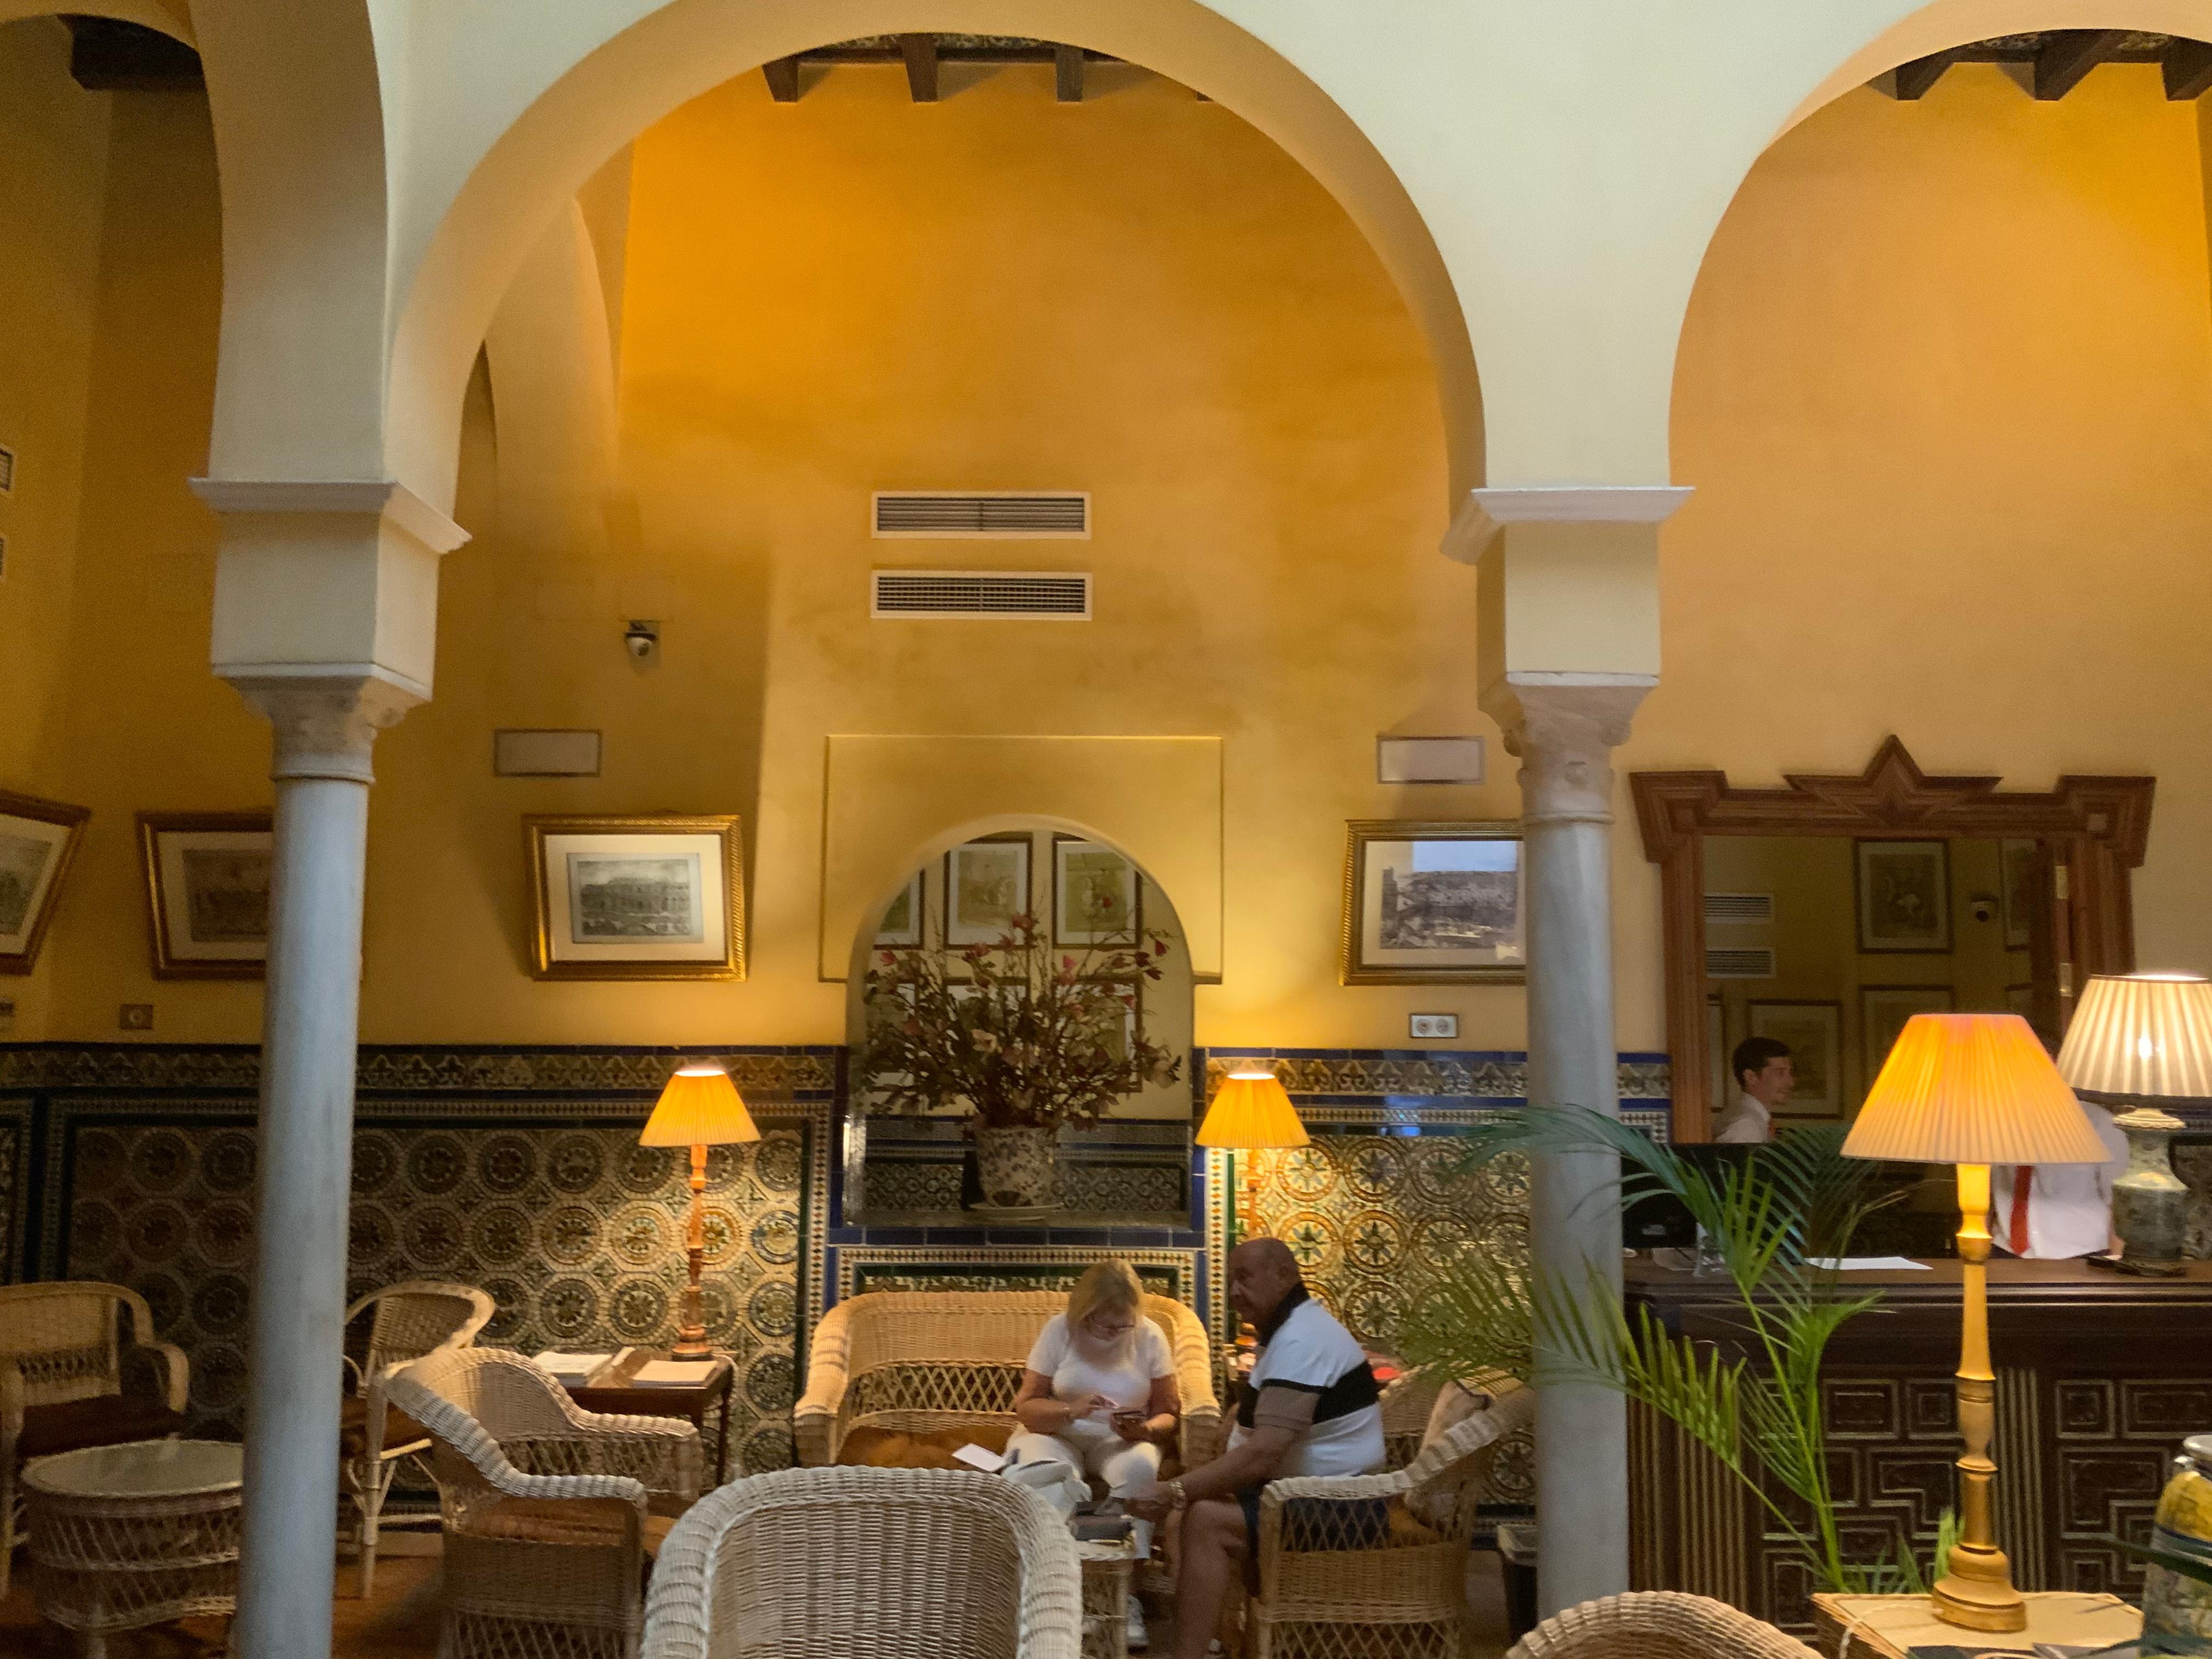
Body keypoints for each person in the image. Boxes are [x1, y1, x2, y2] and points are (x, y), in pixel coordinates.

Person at [1126, 1238, 1383, 1659]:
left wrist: (1176, 1490)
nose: (1233, 1292)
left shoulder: (1301, 1340)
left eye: (1244, 1278)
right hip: (1303, 1492)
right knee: (1181, 1518)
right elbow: (1258, 1419)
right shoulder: (1287, 1328)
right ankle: (1216, 1641)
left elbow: (1264, 1454)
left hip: (1345, 1505)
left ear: (1283, 1276)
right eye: (1230, 1280)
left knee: (1205, 1520)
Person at [1007, 1261, 1181, 1650]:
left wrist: (1145, 1430)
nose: (1112, 1334)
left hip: (1118, 1439)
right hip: (1058, 1432)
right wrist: (1072, 1409)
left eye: (1122, 1326)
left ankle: (1126, 1596)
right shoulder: (1059, 1330)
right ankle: (1054, 1596)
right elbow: (1027, 1408)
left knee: (1140, 1469)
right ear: (1083, 1312)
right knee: (1042, 1471)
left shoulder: (1149, 1336)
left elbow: (1170, 1413)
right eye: (1102, 1325)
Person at [1991, 1098, 2130, 1259]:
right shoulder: (1995, 1121)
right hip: (2005, 1252)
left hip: (2083, 1257)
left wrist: (2116, 1263)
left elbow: (2121, 1203)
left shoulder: (2099, 1124)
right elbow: (1984, 1190)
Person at [1714, 1035, 1792, 1143]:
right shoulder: (1745, 1125)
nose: (1790, 1083)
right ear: (1751, 1077)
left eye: (1790, 1073)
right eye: (1780, 1073)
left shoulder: (1752, 1119)